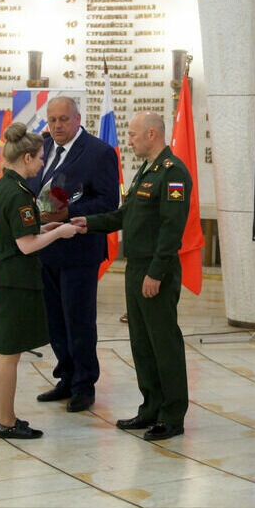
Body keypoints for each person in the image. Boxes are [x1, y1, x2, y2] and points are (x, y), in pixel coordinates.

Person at [71, 111, 192, 442]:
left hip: (156, 269)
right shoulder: (147, 170)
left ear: (152, 134)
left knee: (163, 342)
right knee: (141, 342)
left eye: (135, 134)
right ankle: (151, 406)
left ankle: (172, 414)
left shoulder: (173, 173)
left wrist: (156, 272)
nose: (130, 139)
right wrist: (88, 223)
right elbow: (127, 215)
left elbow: (171, 229)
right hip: (136, 266)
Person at [0, 122, 81, 439]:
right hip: (15, 280)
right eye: (39, 158)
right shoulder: (20, 194)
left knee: (0, 350)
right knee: (9, 354)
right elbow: (26, 245)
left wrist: (50, 228)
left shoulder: (0, 187)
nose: (41, 164)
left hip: (0, 273)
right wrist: (62, 233)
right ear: (26, 158)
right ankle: (8, 422)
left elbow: (21, 233)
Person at [28, 96, 120, 413]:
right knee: (55, 320)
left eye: (63, 120)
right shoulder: (42, 145)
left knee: (78, 321)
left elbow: (109, 203)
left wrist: (68, 213)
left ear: (78, 119)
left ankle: (84, 385)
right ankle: (65, 377)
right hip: (47, 249)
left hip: (79, 251)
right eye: (52, 120)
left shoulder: (99, 153)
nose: (56, 126)